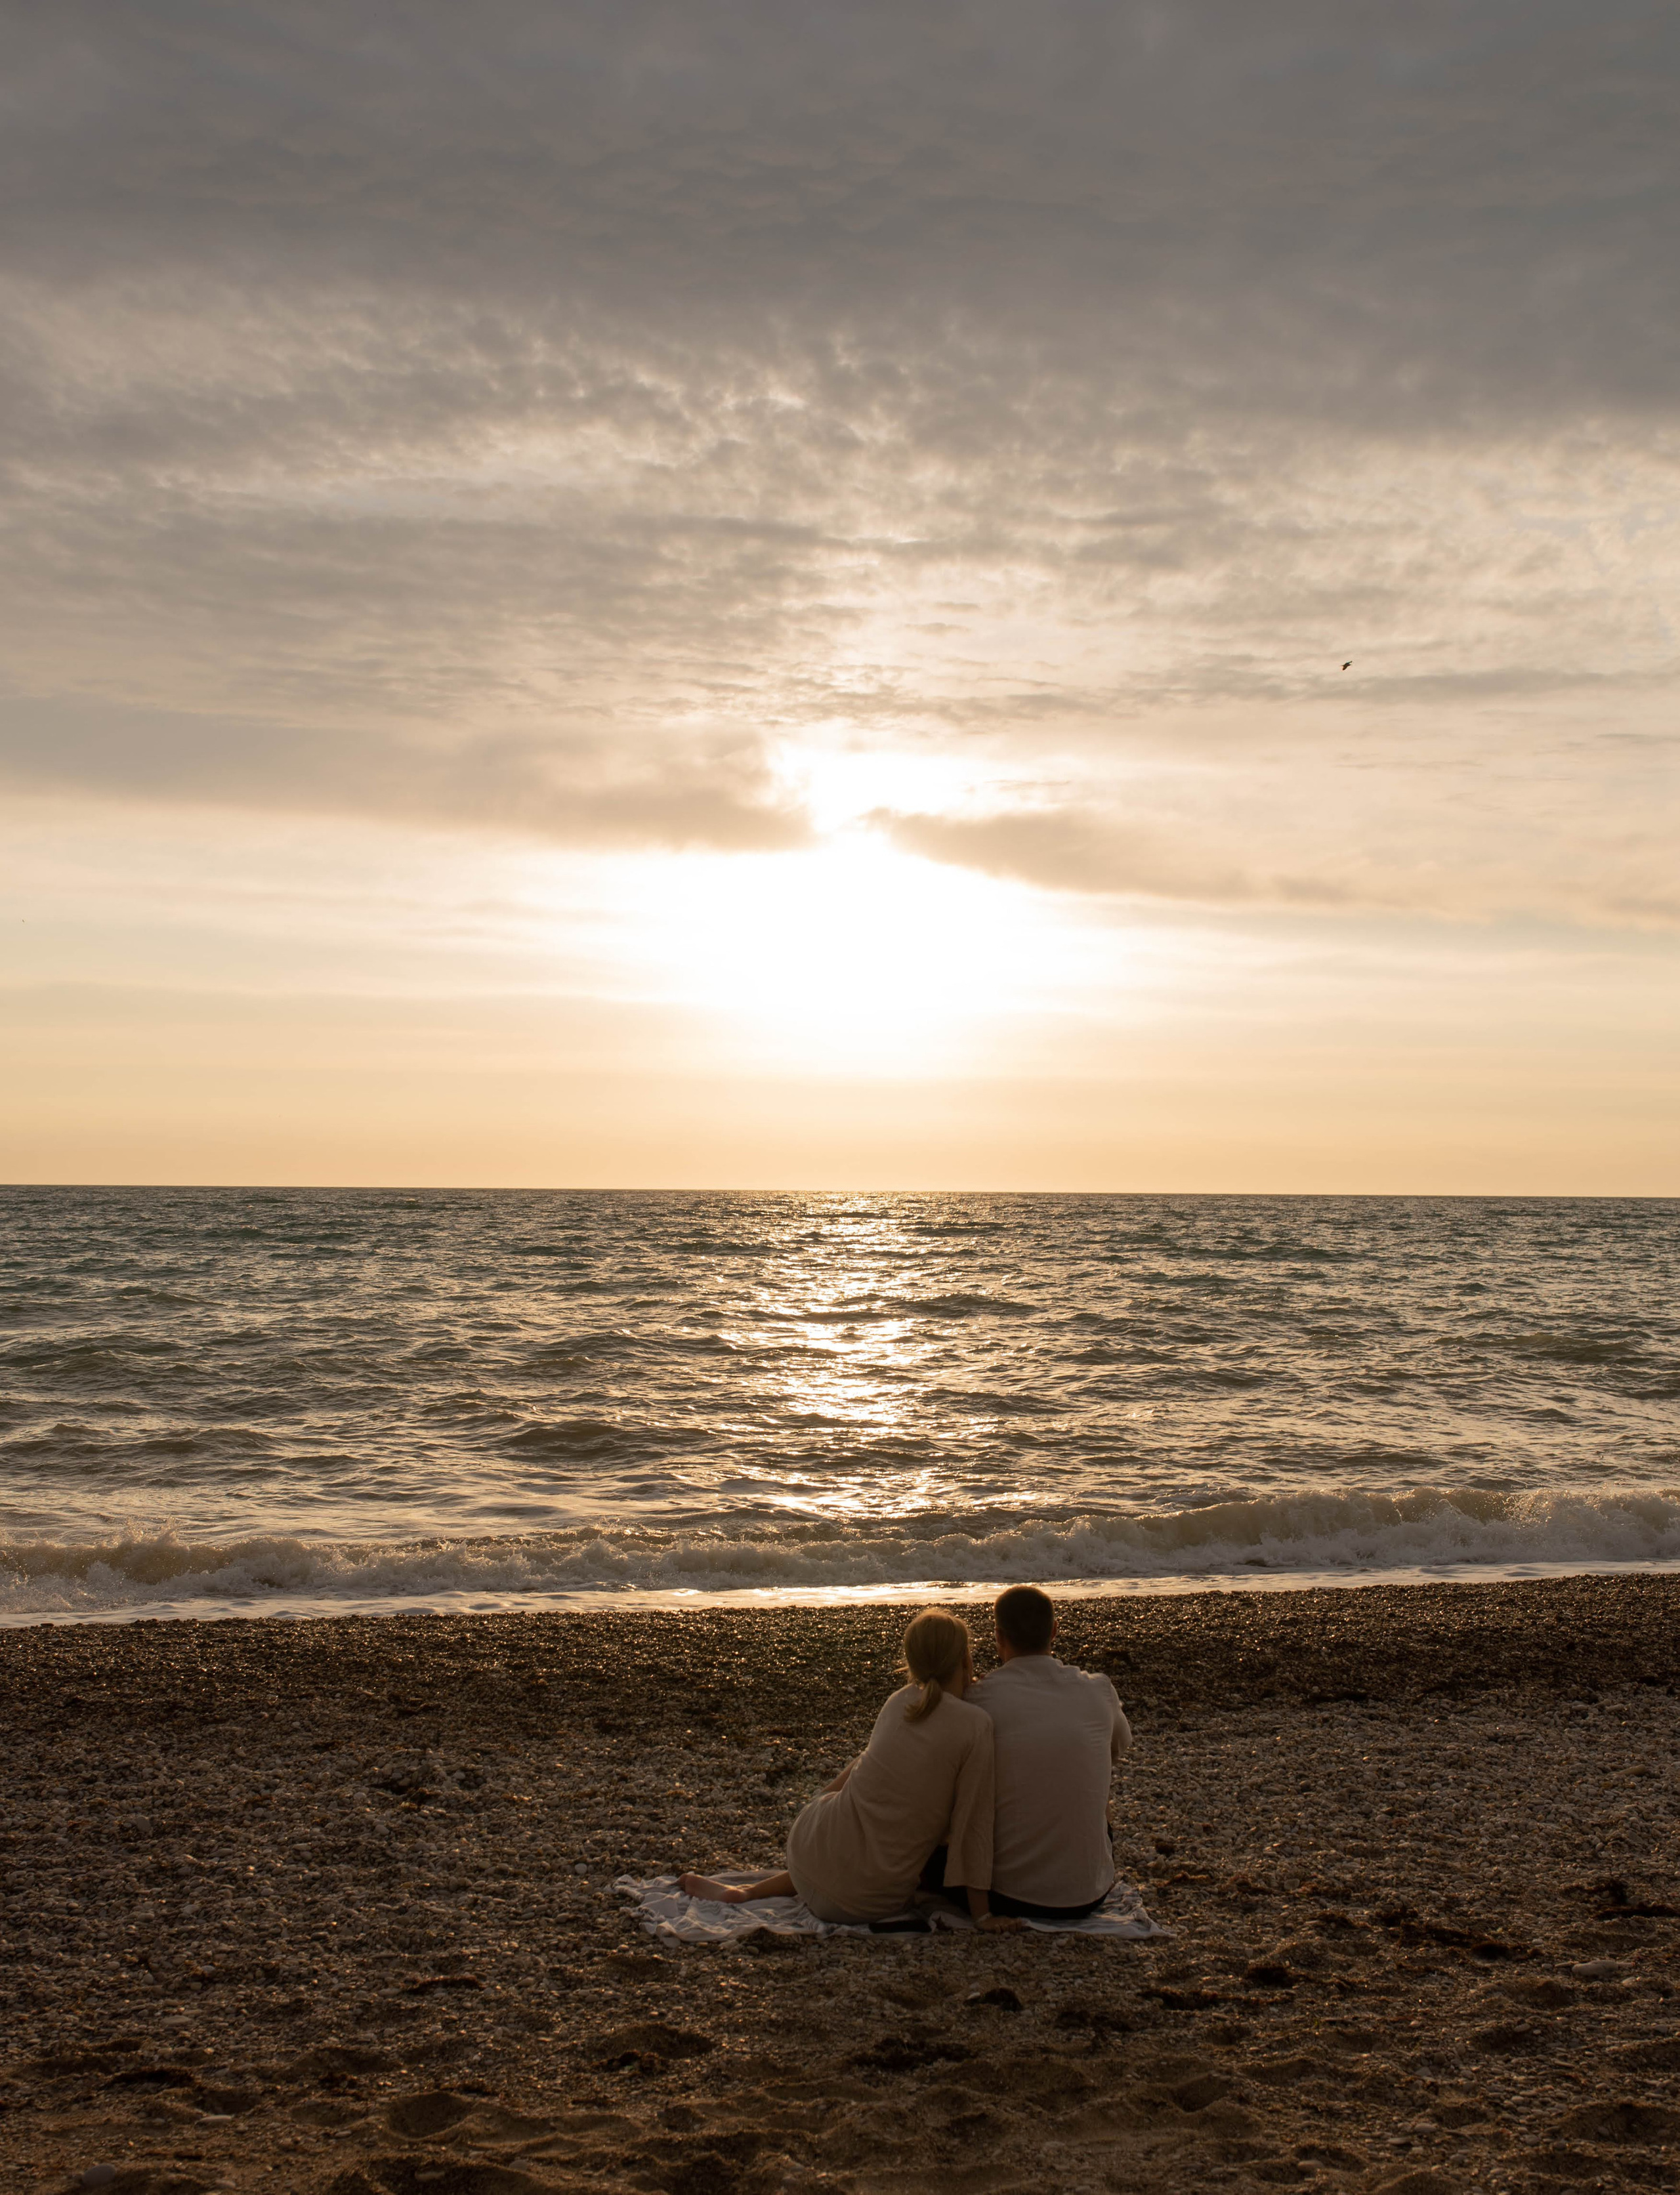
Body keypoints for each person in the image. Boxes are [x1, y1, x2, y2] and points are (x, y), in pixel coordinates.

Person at [678, 1606, 1015, 1928]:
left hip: (808, 1850)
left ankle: (748, 1893)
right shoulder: (976, 1724)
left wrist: (816, 1806)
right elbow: (974, 1823)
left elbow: (867, 1765)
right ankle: (753, 1888)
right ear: (965, 1659)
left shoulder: (898, 1702)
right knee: (885, 1840)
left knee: (860, 1797)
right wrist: (982, 1915)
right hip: (867, 1903)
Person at [921, 1583, 1131, 1920]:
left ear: (999, 1637)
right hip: (1090, 1893)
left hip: (1007, 1895)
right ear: (1054, 1631)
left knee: (928, 1850)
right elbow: (1116, 1749)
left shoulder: (978, 1700)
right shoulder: (1099, 1690)